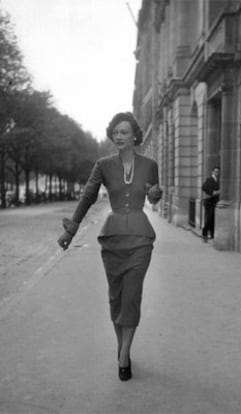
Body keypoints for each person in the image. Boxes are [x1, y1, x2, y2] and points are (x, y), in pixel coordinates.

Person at [57, 112, 162, 381]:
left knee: (132, 297)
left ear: (135, 136)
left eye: (124, 132)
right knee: (116, 298)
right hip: (112, 239)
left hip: (140, 240)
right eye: (115, 132)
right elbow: (88, 196)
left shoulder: (150, 165)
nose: (118, 136)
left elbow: (155, 196)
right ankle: (122, 347)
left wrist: (155, 194)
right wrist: (72, 229)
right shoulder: (103, 164)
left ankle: (124, 354)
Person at [201, 166, 220, 242]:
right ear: (212, 172)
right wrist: (212, 192)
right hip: (209, 201)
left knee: (212, 219)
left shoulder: (218, 180)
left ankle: (212, 235)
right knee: (208, 219)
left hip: (214, 201)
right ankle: (204, 234)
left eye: (218, 172)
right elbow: (203, 187)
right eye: (215, 172)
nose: (217, 173)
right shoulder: (209, 179)